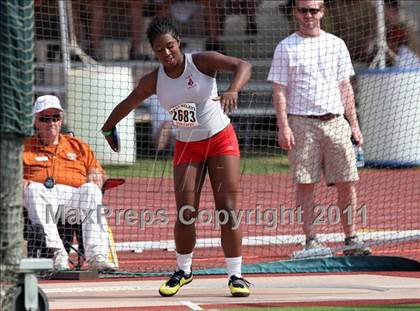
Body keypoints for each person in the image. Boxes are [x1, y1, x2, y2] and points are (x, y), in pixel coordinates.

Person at [101, 16, 252, 297]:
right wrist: (108, 127)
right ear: (153, 51)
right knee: (185, 213)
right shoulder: (153, 80)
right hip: (187, 146)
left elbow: (243, 65)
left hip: (220, 140)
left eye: (170, 46)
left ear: (178, 42)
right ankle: (184, 270)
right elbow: (128, 103)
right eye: (159, 49)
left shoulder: (202, 61)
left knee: (227, 208)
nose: (166, 53)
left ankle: (236, 276)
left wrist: (233, 89)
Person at [267, 0, 371, 257]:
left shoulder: (336, 44)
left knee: (348, 180)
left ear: (322, 12)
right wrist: (284, 127)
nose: (308, 15)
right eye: (303, 10)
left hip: (335, 120)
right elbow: (279, 90)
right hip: (301, 122)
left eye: (314, 10)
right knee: (306, 182)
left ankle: (351, 238)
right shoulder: (286, 47)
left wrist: (354, 125)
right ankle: (311, 239)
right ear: (296, 13)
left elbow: (345, 87)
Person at [23, 95, 117, 271]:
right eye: (44, 118)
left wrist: (96, 174)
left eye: (55, 117)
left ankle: (97, 256)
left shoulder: (78, 145)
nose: (51, 122)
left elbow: (97, 171)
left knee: (91, 190)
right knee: (33, 189)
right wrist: (18, 181)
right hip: (41, 199)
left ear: (61, 120)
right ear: (35, 121)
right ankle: (58, 252)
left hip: (72, 200)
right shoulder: (24, 147)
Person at [72, 0, 149, 60]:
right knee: (94, 5)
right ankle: (88, 51)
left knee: (136, 7)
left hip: (120, 17)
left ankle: (135, 52)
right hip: (91, 15)